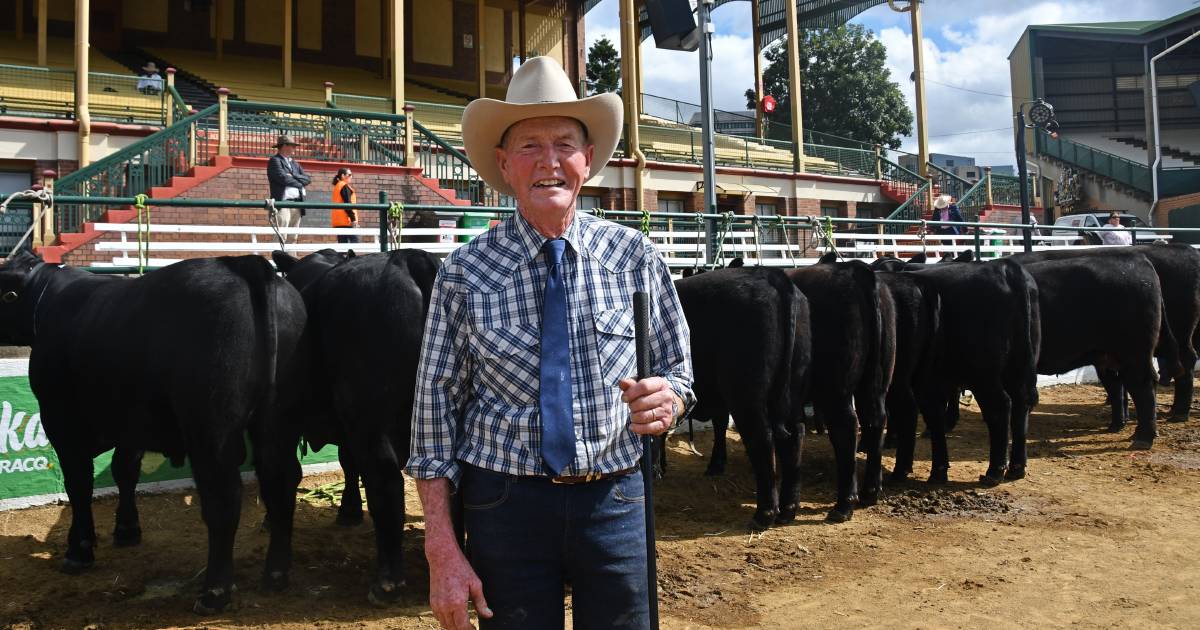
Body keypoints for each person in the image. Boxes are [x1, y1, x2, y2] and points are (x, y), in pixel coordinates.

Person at [406, 57, 695, 630]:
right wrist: (440, 547)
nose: (550, 162)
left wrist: (670, 401)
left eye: (565, 143)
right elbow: (434, 418)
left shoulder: (635, 258)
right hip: (503, 506)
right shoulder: (464, 274)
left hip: (616, 500)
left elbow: (678, 371)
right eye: (530, 146)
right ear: (504, 164)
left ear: (588, 161)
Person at [267, 135, 310, 243]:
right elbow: (283, 179)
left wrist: (293, 175)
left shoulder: (294, 163)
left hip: (297, 204)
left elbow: (307, 179)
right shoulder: (274, 160)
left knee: (293, 237)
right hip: (283, 204)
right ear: (285, 146)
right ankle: (278, 259)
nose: (295, 148)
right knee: (281, 236)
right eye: (293, 146)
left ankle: (291, 260)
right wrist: (299, 183)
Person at [330, 168, 360, 243]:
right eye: (349, 175)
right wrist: (353, 219)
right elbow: (348, 204)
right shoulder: (344, 186)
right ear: (343, 176)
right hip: (347, 221)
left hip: (339, 221)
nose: (351, 176)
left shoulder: (338, 186)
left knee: (343, 247)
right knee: (356, 244)